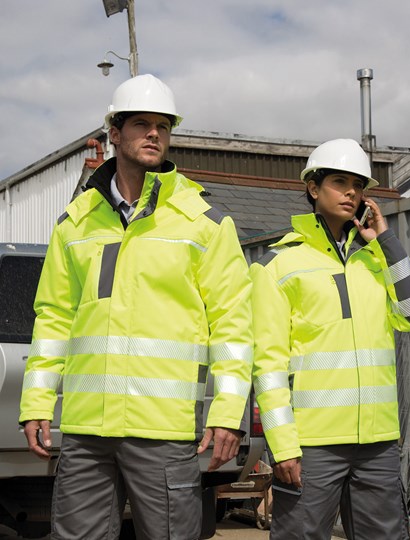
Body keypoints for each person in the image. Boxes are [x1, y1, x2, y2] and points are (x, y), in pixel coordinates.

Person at [19, 74, 253, 540]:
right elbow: (54, 318)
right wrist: (37, 402)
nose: (153, 134)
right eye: (142, 124)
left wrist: (228, 412)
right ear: (114, 133)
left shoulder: (203, 222)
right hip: (87, 430)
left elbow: (232, 323)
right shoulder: (75, 224)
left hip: (162, 430)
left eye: (162, 126)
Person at [251, 138, 410, 540]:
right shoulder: (278, 266)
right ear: (313, 188)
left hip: (377, 443)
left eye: (358, 185)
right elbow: (268, 365)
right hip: (312, 444)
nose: (351, 192)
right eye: (339, 182)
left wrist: (387, 242)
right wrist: (283, 445)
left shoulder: (377, 260)